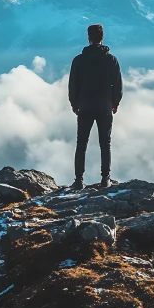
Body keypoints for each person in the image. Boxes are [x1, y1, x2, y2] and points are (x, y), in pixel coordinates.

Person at [68, 23, 123, 190]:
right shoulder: (111, 60)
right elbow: (118, 85)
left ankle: (78, 180)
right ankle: (105, 178)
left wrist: (74, 104)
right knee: (105, 143)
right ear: (102, 37)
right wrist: (115, 103)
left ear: (89, 38)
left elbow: (73, 85)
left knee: (81, 143)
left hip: (84, 105)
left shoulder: (79, 60)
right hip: (105, 106)